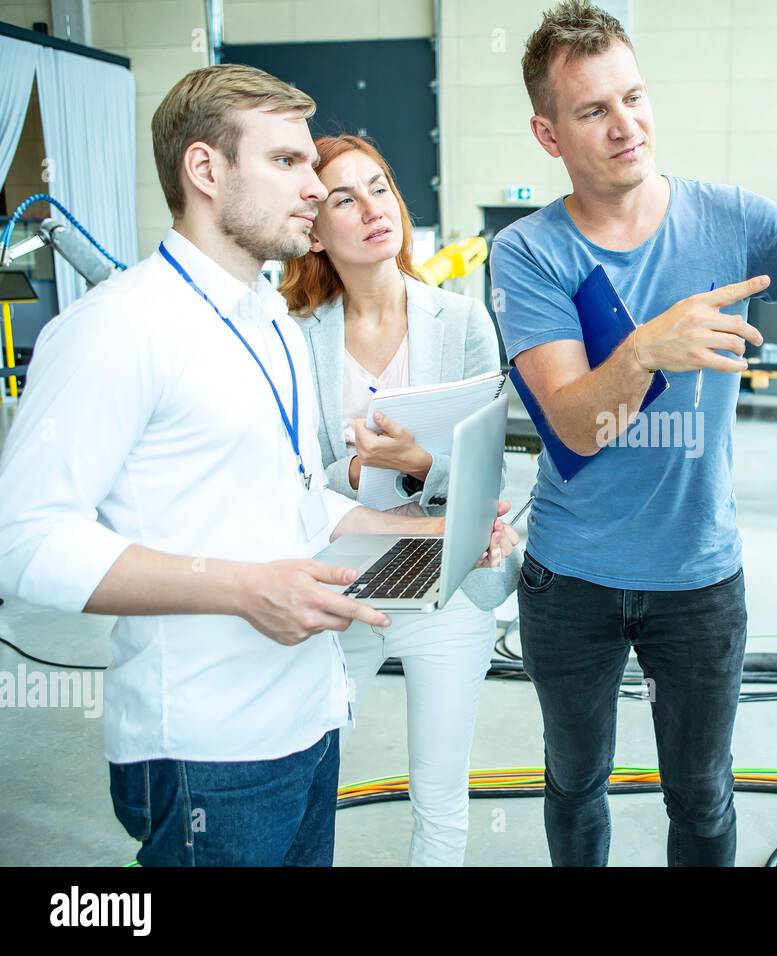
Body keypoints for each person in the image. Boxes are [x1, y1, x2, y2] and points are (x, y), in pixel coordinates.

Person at [0, 64, 515, 866]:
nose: (314, 189)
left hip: (307, 719)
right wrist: (243, 589)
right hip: (209, 744)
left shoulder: (270, 322)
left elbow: (298, 495)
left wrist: (427, 530)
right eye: (288, 163)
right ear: (206, 169)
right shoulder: (119, 327)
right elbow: (22, 539)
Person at [489, 0, 777, 867]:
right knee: (575, 783)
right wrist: (650, 346)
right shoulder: (529, 253)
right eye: (593, 111)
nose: (626, 126)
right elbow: (573, 422)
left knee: (703, 794)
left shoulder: (734, 220)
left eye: (634, 97)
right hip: (571, 579)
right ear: (548, 133)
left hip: (698, 578)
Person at [281, 133, 522, 866]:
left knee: (440, 799)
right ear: (315, 233)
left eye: (379, 187)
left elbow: (494, 478)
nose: (371, 209)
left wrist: (421, 465)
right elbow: (284, 477)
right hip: (340, 577)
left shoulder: (464, 323)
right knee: (299, 773)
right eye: (342, 198)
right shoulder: (294, 338)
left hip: (446, 580)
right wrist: (353, 474)